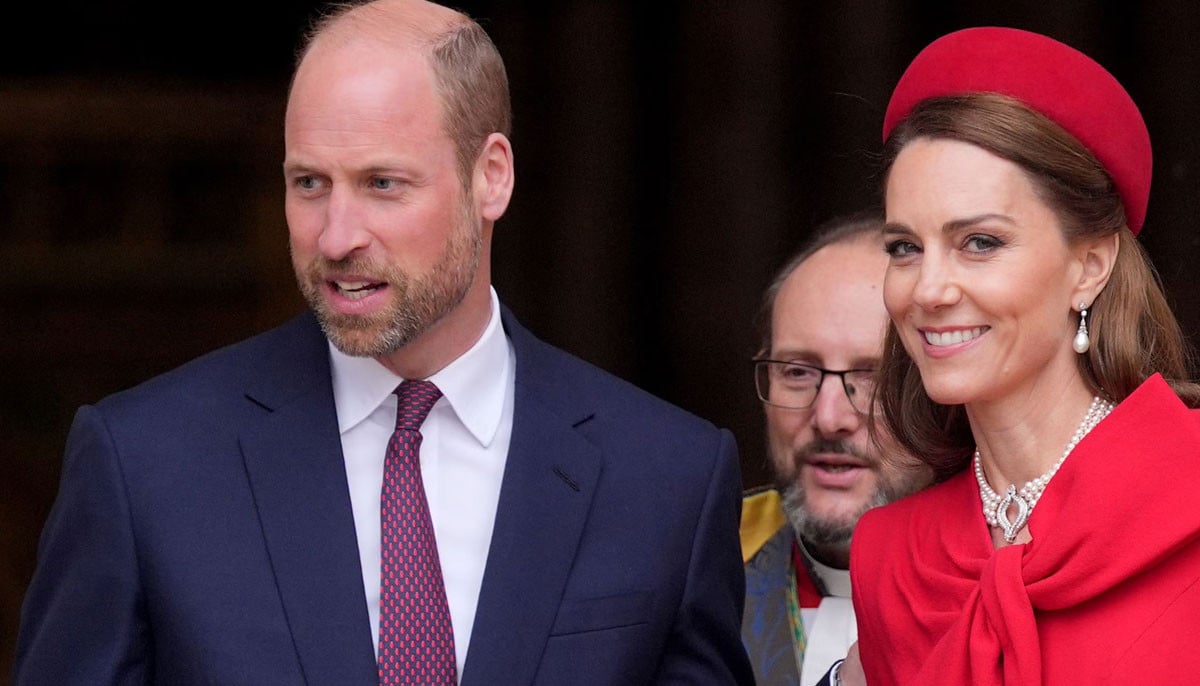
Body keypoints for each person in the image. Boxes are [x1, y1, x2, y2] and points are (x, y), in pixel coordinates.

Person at [12, 1, 754, 684]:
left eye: (382, 184)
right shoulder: (144, 465)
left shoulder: (666, 481)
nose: (337, 237)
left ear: (491, 178)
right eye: (309, 183)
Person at [846, 26, 1200, 685]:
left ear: (1089, 266)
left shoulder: (1190, 486)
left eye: (979, 242)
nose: (929, 290)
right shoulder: (889, 559)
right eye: (905, 248)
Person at [740, 213, 933, 686]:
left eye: (873, 378)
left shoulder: (1015, 578)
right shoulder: (699, 564)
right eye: (797, 371)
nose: (828, 418)